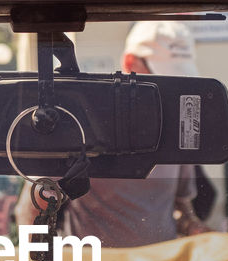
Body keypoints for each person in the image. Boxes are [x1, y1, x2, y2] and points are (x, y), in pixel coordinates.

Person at [15, 21, 208, 247]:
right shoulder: (81, 122)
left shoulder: (175, 131)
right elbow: (32, 207)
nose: (170, 88)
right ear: (130, 63)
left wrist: (194, 227)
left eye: (177, 79)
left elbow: (181, 208)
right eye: (163, 76)